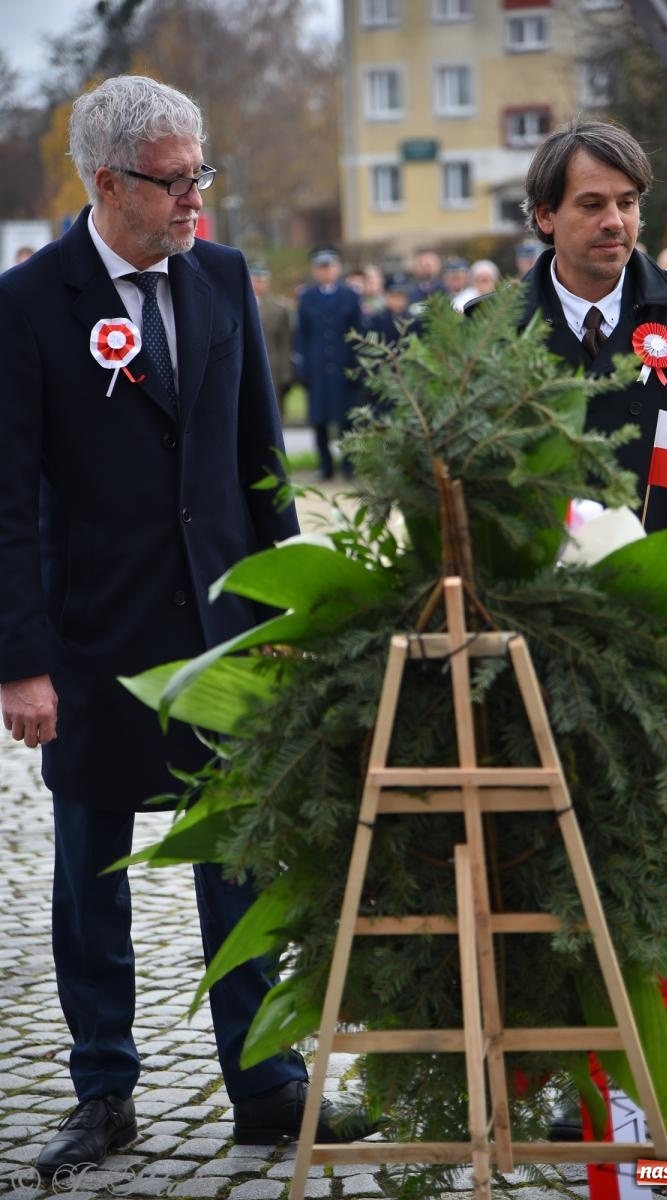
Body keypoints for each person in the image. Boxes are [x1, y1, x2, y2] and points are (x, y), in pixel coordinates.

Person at [0, 74, 373, 1177]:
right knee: (89, 881)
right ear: (107, 183)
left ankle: (268, 1086)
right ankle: (103, 1090)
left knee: (245, 870)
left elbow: (263, 467)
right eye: (174, 182)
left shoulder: (219, 277)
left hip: (228, 639)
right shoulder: (29, 303)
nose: (195, 202)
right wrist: (19, 662)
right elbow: (8, 502)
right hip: (92, 645)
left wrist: (289, 615)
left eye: (202, 175)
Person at [472, 117, 667, 1149]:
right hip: (544, 655)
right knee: (552, 866)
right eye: (592, 203)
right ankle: (570, 1075)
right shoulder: (492, 323)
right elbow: (469, 492)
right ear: (543, 215)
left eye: (629, 202)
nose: (616, 221)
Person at [294, 245, 364, 480]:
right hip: (318, 368)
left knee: (346, 419)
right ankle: (326, 467)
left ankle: (348, 465)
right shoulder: (306, 297)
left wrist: (357, 366)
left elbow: (358, 331)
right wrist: (301, 367)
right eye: (321, 267)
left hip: (345, 366)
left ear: (338, 268)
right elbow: (301, 334)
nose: (326, 271)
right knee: (320, 420)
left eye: (330, 266)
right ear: (314, 270)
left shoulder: (351, 296)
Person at [250, 263, 293, 419]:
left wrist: (286, 375)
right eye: (255, 279)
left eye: (262, 280)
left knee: (273, 414)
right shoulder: (237, 304)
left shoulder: (279, 309)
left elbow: (285, 344)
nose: (258, 283)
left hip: (272, 368)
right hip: (246, 367)